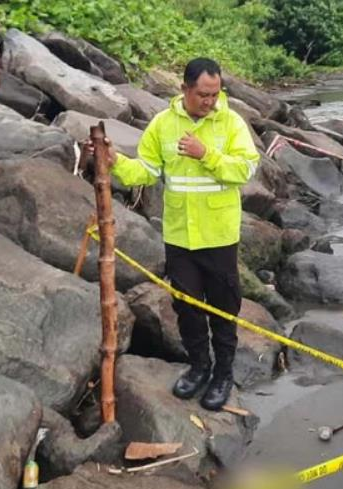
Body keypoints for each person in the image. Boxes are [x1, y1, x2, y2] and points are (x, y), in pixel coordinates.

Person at [101, 57, 259, 410]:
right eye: (203, 94)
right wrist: (116, 162)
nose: (210, 101)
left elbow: (245, 170)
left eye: (215, 94)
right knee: (186, 308)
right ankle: (199, 367)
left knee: (223, 308)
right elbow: (146, 170)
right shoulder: (163, 125)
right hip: (179, 236)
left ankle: (223, 374)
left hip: (218, 236)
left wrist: (208, 155)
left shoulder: (231, 122)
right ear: (185, 89)